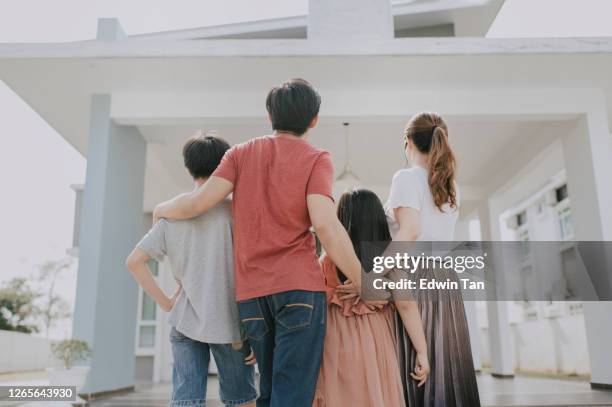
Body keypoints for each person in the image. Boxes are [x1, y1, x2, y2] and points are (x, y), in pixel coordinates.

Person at [152, 78, 364, 407]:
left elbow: (199, 203)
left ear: (270, 116)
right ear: (313, 121)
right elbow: (325, 224)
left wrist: (162, 208)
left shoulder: (239, 154)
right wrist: (361, 278)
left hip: (251, 296)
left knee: (267, 393)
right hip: (298, 290)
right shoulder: (316, 158)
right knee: (291, 392)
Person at [126, 134, 257, 407]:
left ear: (189, 167)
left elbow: (134, 261)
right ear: (225, 164)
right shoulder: (237, 212)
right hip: (231, 323)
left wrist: (166, 303)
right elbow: (255, 270)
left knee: (186, 401)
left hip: (185, 319)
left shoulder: (171, 216)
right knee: (241, 400)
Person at [384, 112, 481, 406]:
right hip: (445, 281)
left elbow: (411, 231)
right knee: (446, 371)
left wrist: (372, 277)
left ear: (408, 142)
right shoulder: (452, 186)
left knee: (415, 367)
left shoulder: (406, 177)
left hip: (413, 279)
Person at [313, 188, 430, 407]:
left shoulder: (328, 260)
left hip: (333, 338)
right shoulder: (388, 259)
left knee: (338, 395)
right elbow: (406, 306)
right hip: (375, 341)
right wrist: (422, 352)